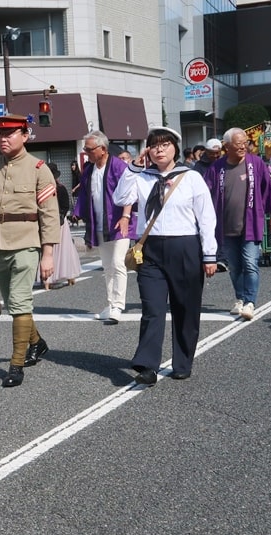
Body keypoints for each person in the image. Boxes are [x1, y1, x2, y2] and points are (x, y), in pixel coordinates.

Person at [113, 126, 218, 386]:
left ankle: (183, 361)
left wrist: (210, 254)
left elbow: (206, 217)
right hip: (151, 250)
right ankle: (147, 365)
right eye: (154, 145)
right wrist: (133, 169)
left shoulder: (191, 177)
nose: (159, 149)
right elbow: (120, 198)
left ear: (175, 148)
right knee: (152, 308)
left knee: (186, 308)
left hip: (185, 247)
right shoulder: (141, 176)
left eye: (165, 144)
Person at [0, 114, 60, 387]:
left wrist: (48, 254)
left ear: (25, 135)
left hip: (26, 244)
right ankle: (38, 343)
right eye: (0, 134)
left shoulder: (38, 169)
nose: (4, 139)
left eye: (10, 134)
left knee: (20, 303)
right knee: (12, 304)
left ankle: (16, 365)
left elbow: (49, 215)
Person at [203, 127, 271, 321]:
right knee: (235, 266)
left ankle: (250, 302)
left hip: (251, 223)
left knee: (250, 263)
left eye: (245, 143)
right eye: (238, 144)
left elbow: (268, 189)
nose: (243, 146)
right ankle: (240, 298)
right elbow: (203, 194)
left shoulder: (256, 163)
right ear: (226, 146)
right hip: (226, 226)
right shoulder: (216, 168)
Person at [75, 131, 136, 324]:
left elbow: (130, 192)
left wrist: (126, 216)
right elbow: (85, 195)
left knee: (118, 263)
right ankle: (110, 304)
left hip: (119, 223)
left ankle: (118, 305)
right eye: (85, 149)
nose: (86, 152)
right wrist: (78, 212)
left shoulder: (118, 166)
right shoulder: (89, 170)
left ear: (102, 149)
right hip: (99, 223)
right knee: (107, 266)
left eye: (89, 149)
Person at [43, 161, 81, 287]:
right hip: (58, 220)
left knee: (51, 249)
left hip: (55, 221)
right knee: (64, 249)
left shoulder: (55, 188)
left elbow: (64, 207)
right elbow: (65, 206)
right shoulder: (60, 188)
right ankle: (66, 275)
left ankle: (49, 279)